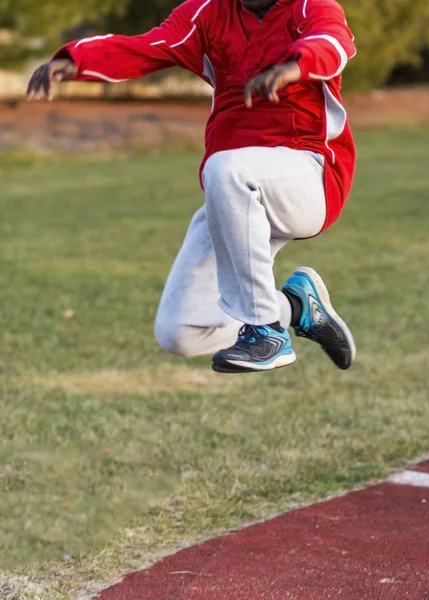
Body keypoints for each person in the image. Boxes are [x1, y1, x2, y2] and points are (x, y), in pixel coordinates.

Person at [27, 0, 357, 374]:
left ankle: (266, 331)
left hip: (309, 178)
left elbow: (333, 43)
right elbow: (150, 46)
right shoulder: (207, 13)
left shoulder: (311, 7)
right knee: (180, 331)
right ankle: (295, 308)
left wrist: (295, 67)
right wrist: (78, 60)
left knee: (226, 166)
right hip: (234, 193)